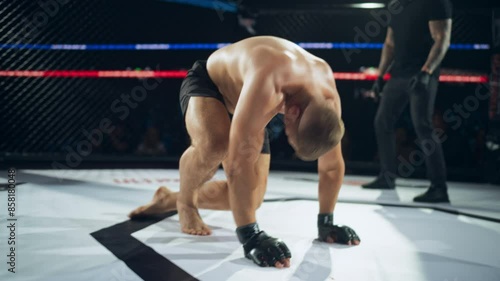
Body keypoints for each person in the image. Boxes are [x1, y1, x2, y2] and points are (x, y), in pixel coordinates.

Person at [129, 36, 360, 268]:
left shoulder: (326, 98)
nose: (285, 135)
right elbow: (239, 165)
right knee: (216, 144)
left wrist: (327, 221)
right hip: (212, 85)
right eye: (290, 135)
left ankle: (168, 198)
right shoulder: (270, 81)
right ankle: (186, 203)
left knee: (251, 199)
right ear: (293, 112)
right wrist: (250, 235)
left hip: (249, 104)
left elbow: (331, 164)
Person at [362, 0, 453, 203]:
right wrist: (380, 75)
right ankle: (387, 177)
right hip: (399, 73)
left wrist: (426, 72)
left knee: (423, 125)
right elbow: (390, 43)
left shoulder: (437, 2)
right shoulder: (397, 3)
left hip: (422, 72)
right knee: (382, 121)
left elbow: (442, 38)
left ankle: (439, 187)